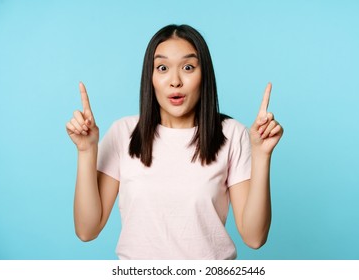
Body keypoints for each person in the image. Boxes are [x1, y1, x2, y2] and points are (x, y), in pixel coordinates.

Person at [66, 24, 283, 260]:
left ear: (204, 75)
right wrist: (87, 151)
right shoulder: (123, 133)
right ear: (150, 77)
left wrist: (262, 155)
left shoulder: (231, 134)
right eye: (162, 68)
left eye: (188, 67)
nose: (175, 81)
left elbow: (254, 237)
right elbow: (87, 230)